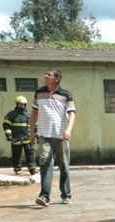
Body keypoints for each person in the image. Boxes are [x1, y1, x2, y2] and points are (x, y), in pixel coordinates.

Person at [30, 69, 76, 207]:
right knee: (45, 164)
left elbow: (72, 114)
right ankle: (44, 196)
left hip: (61, 135)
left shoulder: (66, 94)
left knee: (64, 166)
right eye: (45, 74)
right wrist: (32, 132)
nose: (45, 76)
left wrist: (68, 130)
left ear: (56, 78)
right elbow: (34, 113)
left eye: (48, 75)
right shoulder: (39, 93)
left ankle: (66, 194)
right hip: (44, 135)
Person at [3, 96, 37, 176]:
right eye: (20, 104)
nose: (22, 106)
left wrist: (36, 136)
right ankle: (17, 168)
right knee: (16, 154)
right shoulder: (11, 115)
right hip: (16, 138)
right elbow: (6, 125)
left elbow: (34, 126)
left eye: (24, 104)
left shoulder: (28, 115)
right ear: (17, 104)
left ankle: (32, 168)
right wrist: (8, 135)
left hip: (27, 138)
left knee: (30, 154)